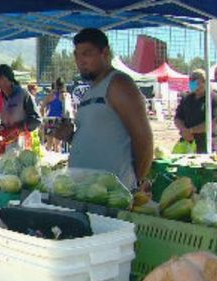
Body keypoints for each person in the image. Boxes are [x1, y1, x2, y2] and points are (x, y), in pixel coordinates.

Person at [52, 28, 153, 190]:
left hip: (112, 193)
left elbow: (144, 139)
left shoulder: (119, 84)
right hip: (87, 191)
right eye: (77, 55)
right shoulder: (91, 90)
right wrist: (71, 137)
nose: (80, 61)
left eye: (87, 54)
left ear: (105, 53)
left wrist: (135, 181)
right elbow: (100, 137)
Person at [0, 64, 41, 152]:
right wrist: (1, 128)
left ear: (4, 78)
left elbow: (36, 120)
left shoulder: (23, 94)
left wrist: (17, 128)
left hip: (23, 146)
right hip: (6, 145)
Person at [174, 69, 217, 153]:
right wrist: (184, 130)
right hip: (187, 142)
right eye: (194, 84)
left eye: (199, 83)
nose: (197, 87)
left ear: (205, 83)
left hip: (208, 143)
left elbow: (212, 123)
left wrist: (191, 131)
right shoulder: (186, 98)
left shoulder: (214, 98)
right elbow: (178, 117)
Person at [40, 77, 74, 151]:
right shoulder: (66, 95)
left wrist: (43, 118)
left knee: (49, 145)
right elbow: (69, 110)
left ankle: (49, 161)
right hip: (61, 120)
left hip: (50, 120)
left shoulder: (51, 95)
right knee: (58, 145)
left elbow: (42, 107)